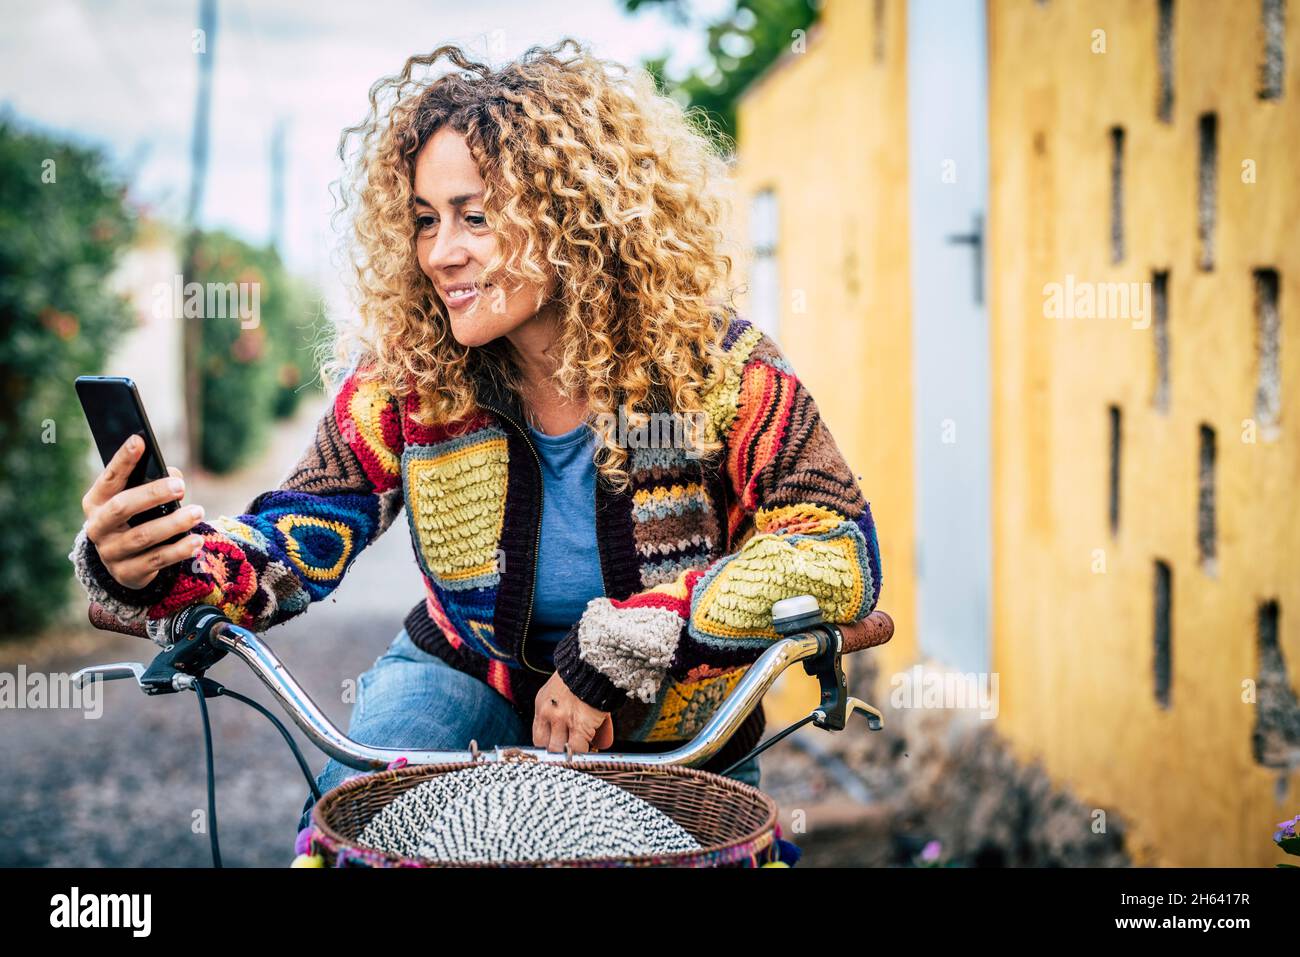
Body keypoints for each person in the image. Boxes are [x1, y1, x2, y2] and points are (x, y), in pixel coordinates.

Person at [70, 38, 883, 841]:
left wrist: (622, 644)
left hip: (680, 718)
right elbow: (297, 533)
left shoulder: (717, 367)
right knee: (359, 835)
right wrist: (160, 567)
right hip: (464, 678)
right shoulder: (409, 380)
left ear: (577, 217)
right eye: (425, 220)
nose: (441, 253)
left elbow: (836, 552)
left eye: (477, 217)